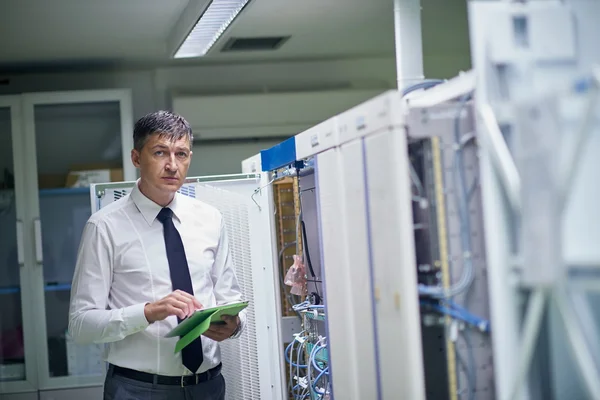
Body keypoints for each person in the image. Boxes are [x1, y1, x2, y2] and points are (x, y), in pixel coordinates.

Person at [68, 110, 246, 400]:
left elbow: (231, 298)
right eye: (160, 153)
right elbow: (80, 326)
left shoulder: (211, 219)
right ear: (136, 158)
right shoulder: (104, 227)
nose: (173, 165)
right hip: (138, 389)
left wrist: (234, 325)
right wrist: (148, 312)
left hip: (208, 387)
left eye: (182, 154)